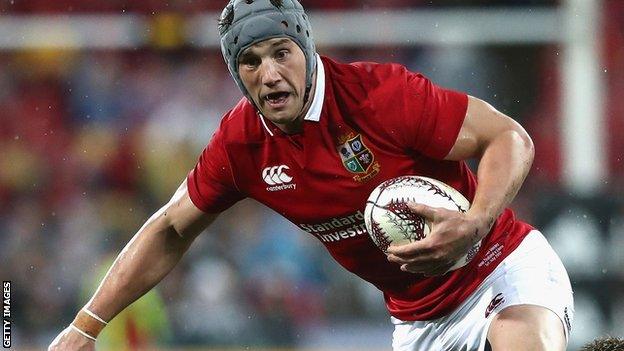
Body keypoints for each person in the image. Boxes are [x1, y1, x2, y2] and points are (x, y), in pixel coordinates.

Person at [48, 0, 574, 350]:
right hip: (418, 322)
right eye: (250, 62)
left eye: (282, 53)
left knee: (520, 342)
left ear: (307, 50)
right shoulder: (240, 145)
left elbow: (510, 137)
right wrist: (85, 326)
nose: (271, 73)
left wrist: (477, 221)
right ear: (237, 75)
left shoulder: (381, 96)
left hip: (501, 267)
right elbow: (170, 228)